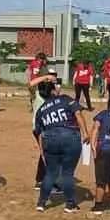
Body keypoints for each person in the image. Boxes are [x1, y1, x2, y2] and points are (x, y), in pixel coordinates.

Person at [33, 79, 90, 212]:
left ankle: (41, 203)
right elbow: (78, 113)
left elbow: (39, 132)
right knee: (67, 174)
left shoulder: (40, 111)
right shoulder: (65, 99)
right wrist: (85, 132)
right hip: (69, 136)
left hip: (50, 139)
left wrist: (42, 150)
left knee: (50, 173)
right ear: (53, 90)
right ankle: (70, 204)